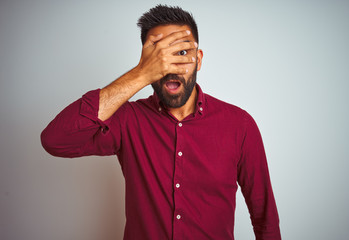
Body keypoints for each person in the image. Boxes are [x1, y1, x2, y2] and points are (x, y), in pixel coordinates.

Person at [41, 5, 281, 240]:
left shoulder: (240, 126)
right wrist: (141, 74)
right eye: (159, 55)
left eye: (181, 53)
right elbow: (56, 141)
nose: (170, 66)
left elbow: (265, 217)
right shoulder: (127, 120)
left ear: (198, 59)